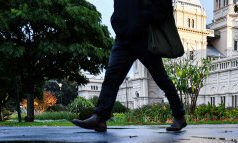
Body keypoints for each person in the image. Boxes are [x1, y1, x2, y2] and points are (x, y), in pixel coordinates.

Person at [72, 0, 187, 133]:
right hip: (123, 38)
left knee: (160, 77)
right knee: (111, 77)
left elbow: (164, 6)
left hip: (143, 38)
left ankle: (179, 116)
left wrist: (144, 20)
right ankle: (100, 117)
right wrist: (118, 23)